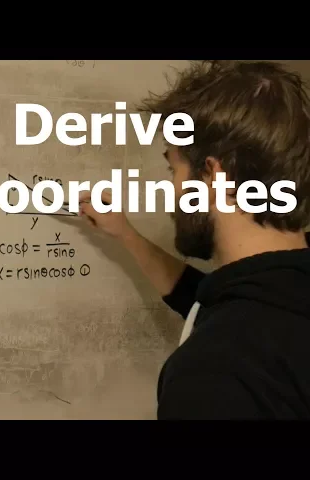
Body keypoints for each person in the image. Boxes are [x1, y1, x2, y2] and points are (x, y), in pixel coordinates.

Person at [78, 60, 310, 419]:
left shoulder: (213, 376)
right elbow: (210, 302)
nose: (170, 189)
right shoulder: (279, 303)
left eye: (174, 169)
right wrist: (126, 234)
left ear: (215, 175)